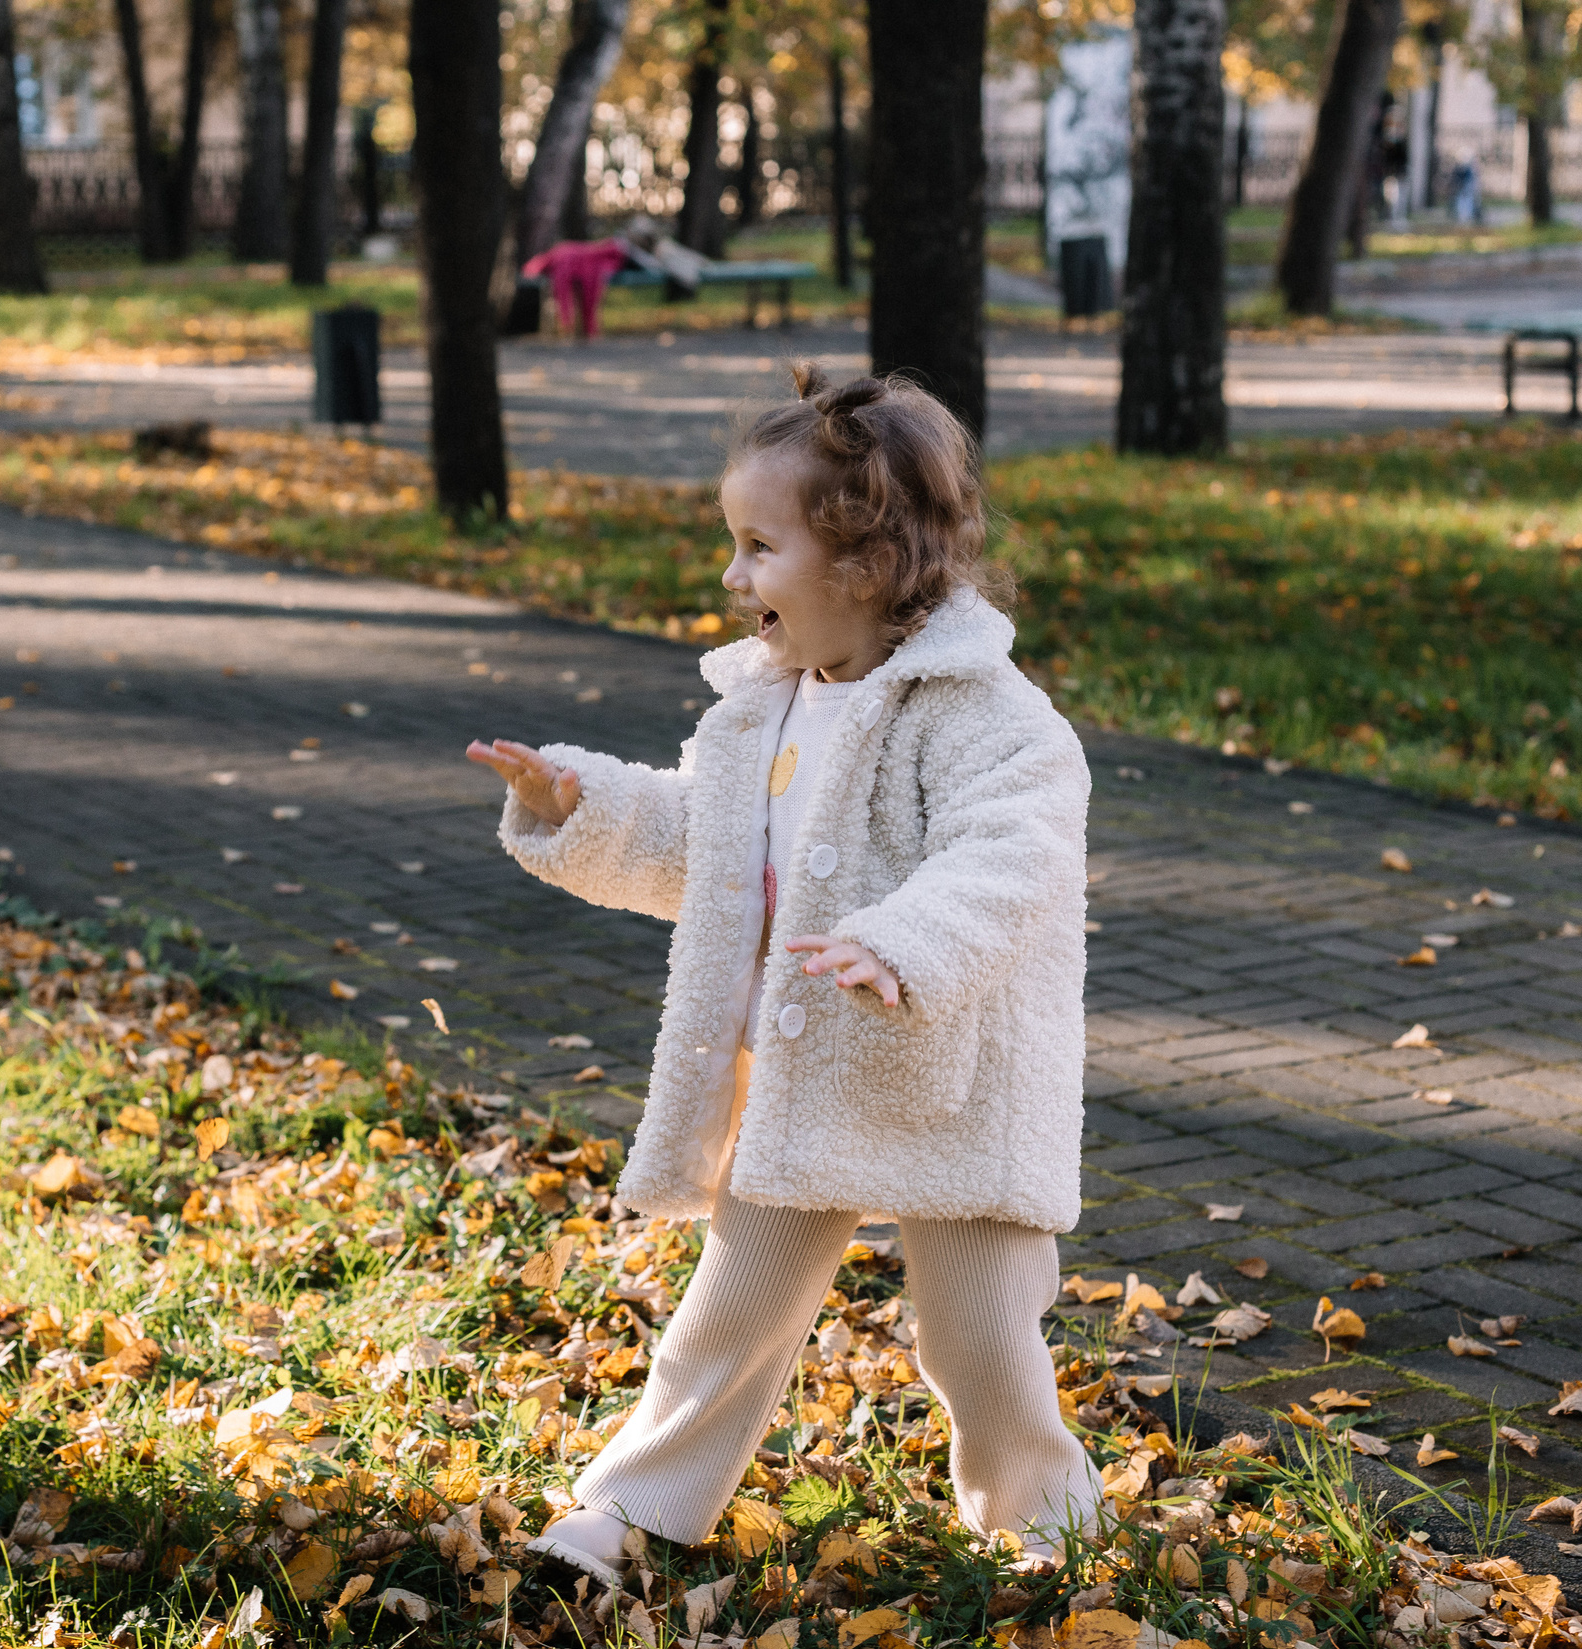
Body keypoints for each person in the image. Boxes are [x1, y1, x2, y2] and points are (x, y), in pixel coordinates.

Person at [463, 366, 1106, 1587]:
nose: (731, 576)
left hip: (952, 1076)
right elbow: (708, 853)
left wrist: (904, 943)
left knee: (978, 1340)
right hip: (803, 1072)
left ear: (862, 563)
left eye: (759, 547)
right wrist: (583, 807)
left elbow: (1014, 852)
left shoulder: (987, 717)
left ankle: (1046, 1524)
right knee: (729, 1315)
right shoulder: (757, 714)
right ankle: (631, 1514)